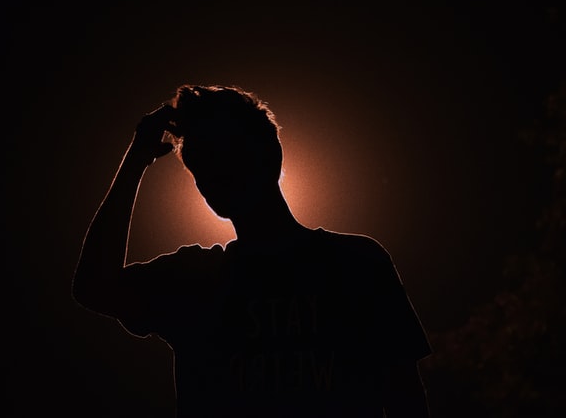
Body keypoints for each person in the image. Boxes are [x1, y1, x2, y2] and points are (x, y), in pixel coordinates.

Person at [73, 84, 432, 417]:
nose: (214, 174)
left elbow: (405, 396)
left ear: (270, 154)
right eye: (201, 162)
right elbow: (93, 287)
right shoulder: (192, 279)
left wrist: (137, 158)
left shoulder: (355, 265)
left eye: (226, 154)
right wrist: (136, 158)